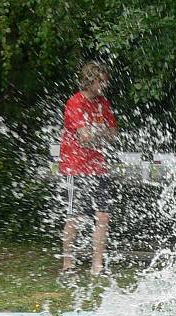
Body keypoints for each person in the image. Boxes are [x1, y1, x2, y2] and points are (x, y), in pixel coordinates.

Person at [59, 61, 118, 275]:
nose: (104, 85)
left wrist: (97, 132)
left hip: (98, 166)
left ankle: (97, 265)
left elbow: (113, 134)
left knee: (103, 216)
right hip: (75, 167)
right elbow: (84, 138)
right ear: (90, 80)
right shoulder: (75, 103)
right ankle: (68, 263)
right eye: (100, 81)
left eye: (105, 81)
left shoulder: (104, 103)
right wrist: (99, 132)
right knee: (75, 216)